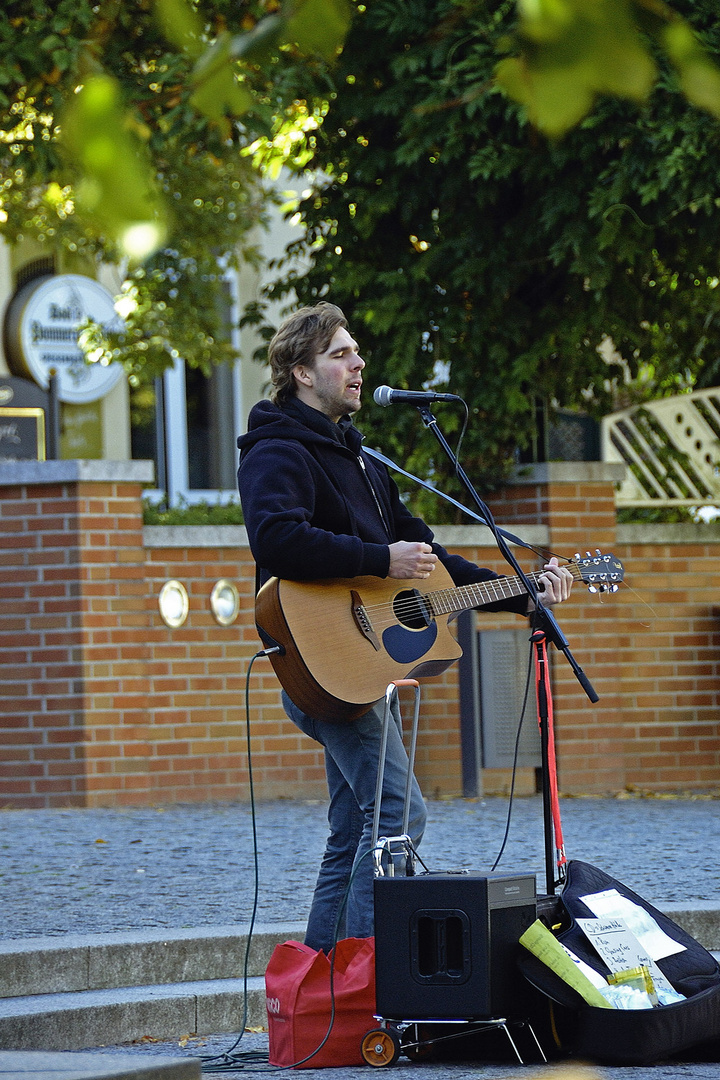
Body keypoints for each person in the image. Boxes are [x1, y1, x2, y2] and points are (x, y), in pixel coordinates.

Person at [237, 301, 573, 953]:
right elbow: (275, 537)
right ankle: (367, 981)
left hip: (358, 672)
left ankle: (324, 984)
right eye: (340, 354)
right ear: (302, 373)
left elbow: (432, 566)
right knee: (397, 814)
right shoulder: (277, 450)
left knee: (352, 830)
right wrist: (377, 558)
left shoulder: (366, 463)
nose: (359, 363)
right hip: (318, 663)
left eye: (356, 351)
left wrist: (526, 596)